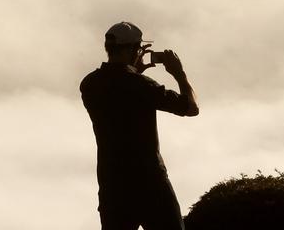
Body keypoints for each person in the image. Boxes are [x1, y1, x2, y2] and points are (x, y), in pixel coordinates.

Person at [79, 21, 199, 230]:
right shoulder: (141, 86)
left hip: (112, 185)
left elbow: (119, 94)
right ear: (132, 50)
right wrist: (178, 73)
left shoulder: (89, 84)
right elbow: (190, 108)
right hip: (150, 183)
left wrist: (134, 71)